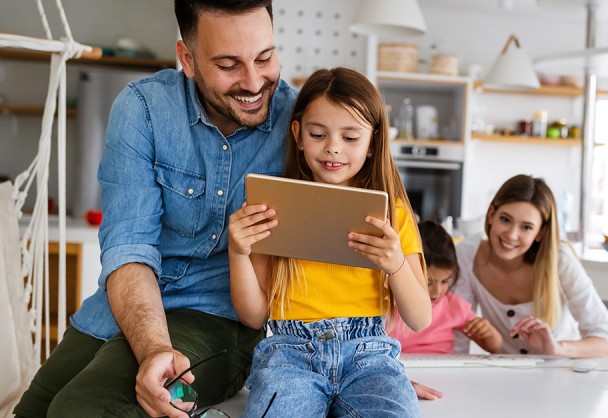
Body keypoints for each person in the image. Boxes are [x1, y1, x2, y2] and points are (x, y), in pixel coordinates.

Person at [13, 1, 297, 417]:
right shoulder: (143, 109)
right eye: (228, 64)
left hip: (218, 321)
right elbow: (128, 247)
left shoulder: (304, 123)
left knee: (80, 409)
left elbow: (346, 238)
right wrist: (154, 347)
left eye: (265, 57)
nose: (254, 81)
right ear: (187, 58)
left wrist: (362, 369)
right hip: (121, 307)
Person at [228, 67, 432, 417]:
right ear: (298, 134)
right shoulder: (275, 204)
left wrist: (395, 264)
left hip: (370, 356)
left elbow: (420, 318)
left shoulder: (392, 214)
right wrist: (238, 252)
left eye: (350, 138)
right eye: (318, 133)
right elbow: (254, 315)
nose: (333, 148)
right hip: (290, 355)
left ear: (373, 141)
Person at [453, 175, 608, 357]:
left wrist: (557, 348)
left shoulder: (559, 259)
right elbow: (456, 330)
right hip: (502, 376)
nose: (511, 235)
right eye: (505, 219)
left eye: (526, 227)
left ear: (540, 232)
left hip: (560, 373)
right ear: (491, 215)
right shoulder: (467, 254)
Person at [390, 220, 502, 354]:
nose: (437, 292)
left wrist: (488, 332)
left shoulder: (452, 305)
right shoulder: (387, 307)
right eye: (429, 282)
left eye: (445, 281)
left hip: (444, 370)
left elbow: (494, 347)